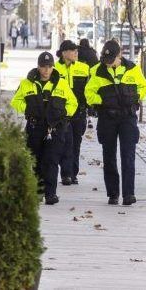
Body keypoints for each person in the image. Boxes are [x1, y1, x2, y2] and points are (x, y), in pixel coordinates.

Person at [85, 40, 146, 206]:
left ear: (119, 55)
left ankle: (129, 194)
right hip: (107, 118)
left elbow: (144, 87)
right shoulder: (97, 71)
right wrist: (104, 101)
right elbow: (89, 93)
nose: (108, 63)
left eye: (111, 60)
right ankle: (113, 194)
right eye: (105, 60)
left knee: (128, 155)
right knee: (109, 156)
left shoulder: (132, 69)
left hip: (127, 117)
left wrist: (136, 97)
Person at [10, 51, 77, 205]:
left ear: (53, 67)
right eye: (43, 67)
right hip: (35, 127)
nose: (46, 70)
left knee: (51, 160)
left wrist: (64, 113)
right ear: (38, 67)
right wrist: (28, 109)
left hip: (55, 128)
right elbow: (16, 101)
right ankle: (37, 192)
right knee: (36, 160)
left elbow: (72, 103)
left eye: (49, 67)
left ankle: (51, 194)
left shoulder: (61, 83)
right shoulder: (27, 83)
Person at [54, 40, 91, 186]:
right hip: (61, 113)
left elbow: (89, 89)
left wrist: (90, 106)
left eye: (76, 50)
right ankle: (66, 174)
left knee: (76, 143)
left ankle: (73, 173)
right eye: (72, 50)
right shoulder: (54, 69)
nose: (76, 52)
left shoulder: (84, 68)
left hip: (79, 112)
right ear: (64, 53)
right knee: (64, 143)